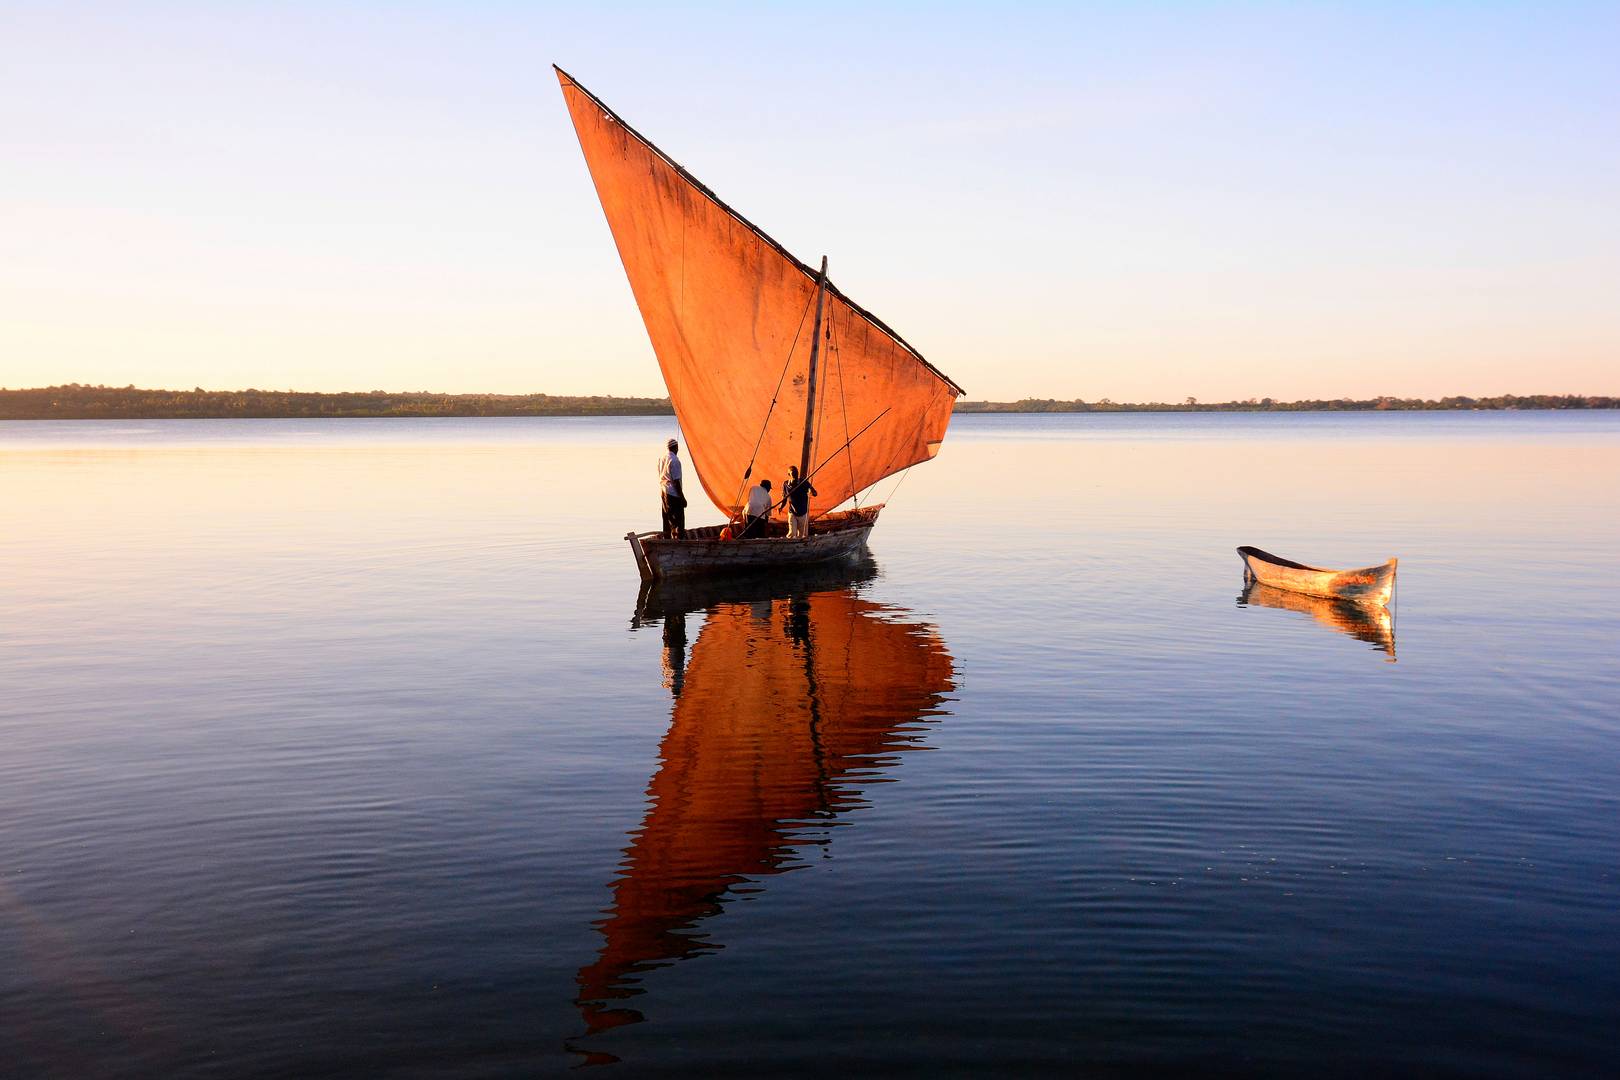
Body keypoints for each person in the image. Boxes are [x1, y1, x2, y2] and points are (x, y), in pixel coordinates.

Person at [658, 438, 685, 539]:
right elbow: (676, 482)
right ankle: (678, 543)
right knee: (678, 522)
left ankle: (667, 540)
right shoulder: (675, 460)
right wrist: (682, 498)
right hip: (673, 494)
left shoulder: (661, 458)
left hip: (663, 492)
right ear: (676, 447)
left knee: (667, 519)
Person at [784, 465, 817, 539]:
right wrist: (781, 507)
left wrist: (812, 492)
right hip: (792, 512)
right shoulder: (786, 484)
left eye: (796, 472)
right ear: (789, 474)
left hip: (803, 512)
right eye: (793, 473)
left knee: (803, 535)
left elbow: (815, 493)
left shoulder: (804, 482)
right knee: (792, 534)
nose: (795, 474)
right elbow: (784, 497)